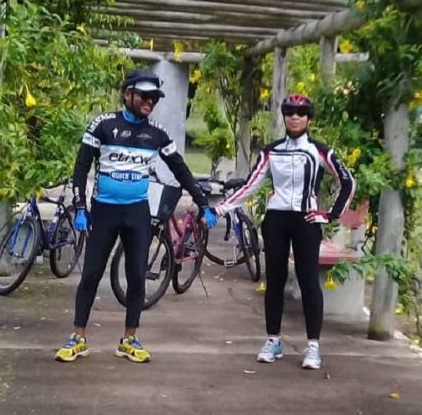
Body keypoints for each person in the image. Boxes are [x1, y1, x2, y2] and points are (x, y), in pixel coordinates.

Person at [55, 69, 217, 364]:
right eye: (145, 96)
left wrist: (204, 204)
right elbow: (81, 168)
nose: (150, 102)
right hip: (103, 211)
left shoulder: (157, 133)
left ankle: (129, 338)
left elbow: (180, 169)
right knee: (91, 274)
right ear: (127, 94)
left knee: (136, 275)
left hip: (137, 212)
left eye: (155, 97)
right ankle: (78, 337)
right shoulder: (103, 125)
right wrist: (80, 208)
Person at [216, 93, 355, 370]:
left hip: (306, 220)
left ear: (309, 118)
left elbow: (347, 181)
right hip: (277, 218)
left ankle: (313, 345)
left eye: (301, 113)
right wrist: (220, 209)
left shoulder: (319, 151)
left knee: (308, 280)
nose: (294, 117)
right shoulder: (271, 151)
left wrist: (330, 215)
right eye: (289, 112)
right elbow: (251, 184)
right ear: (284, 116)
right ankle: (273, 340)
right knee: (275, 280)